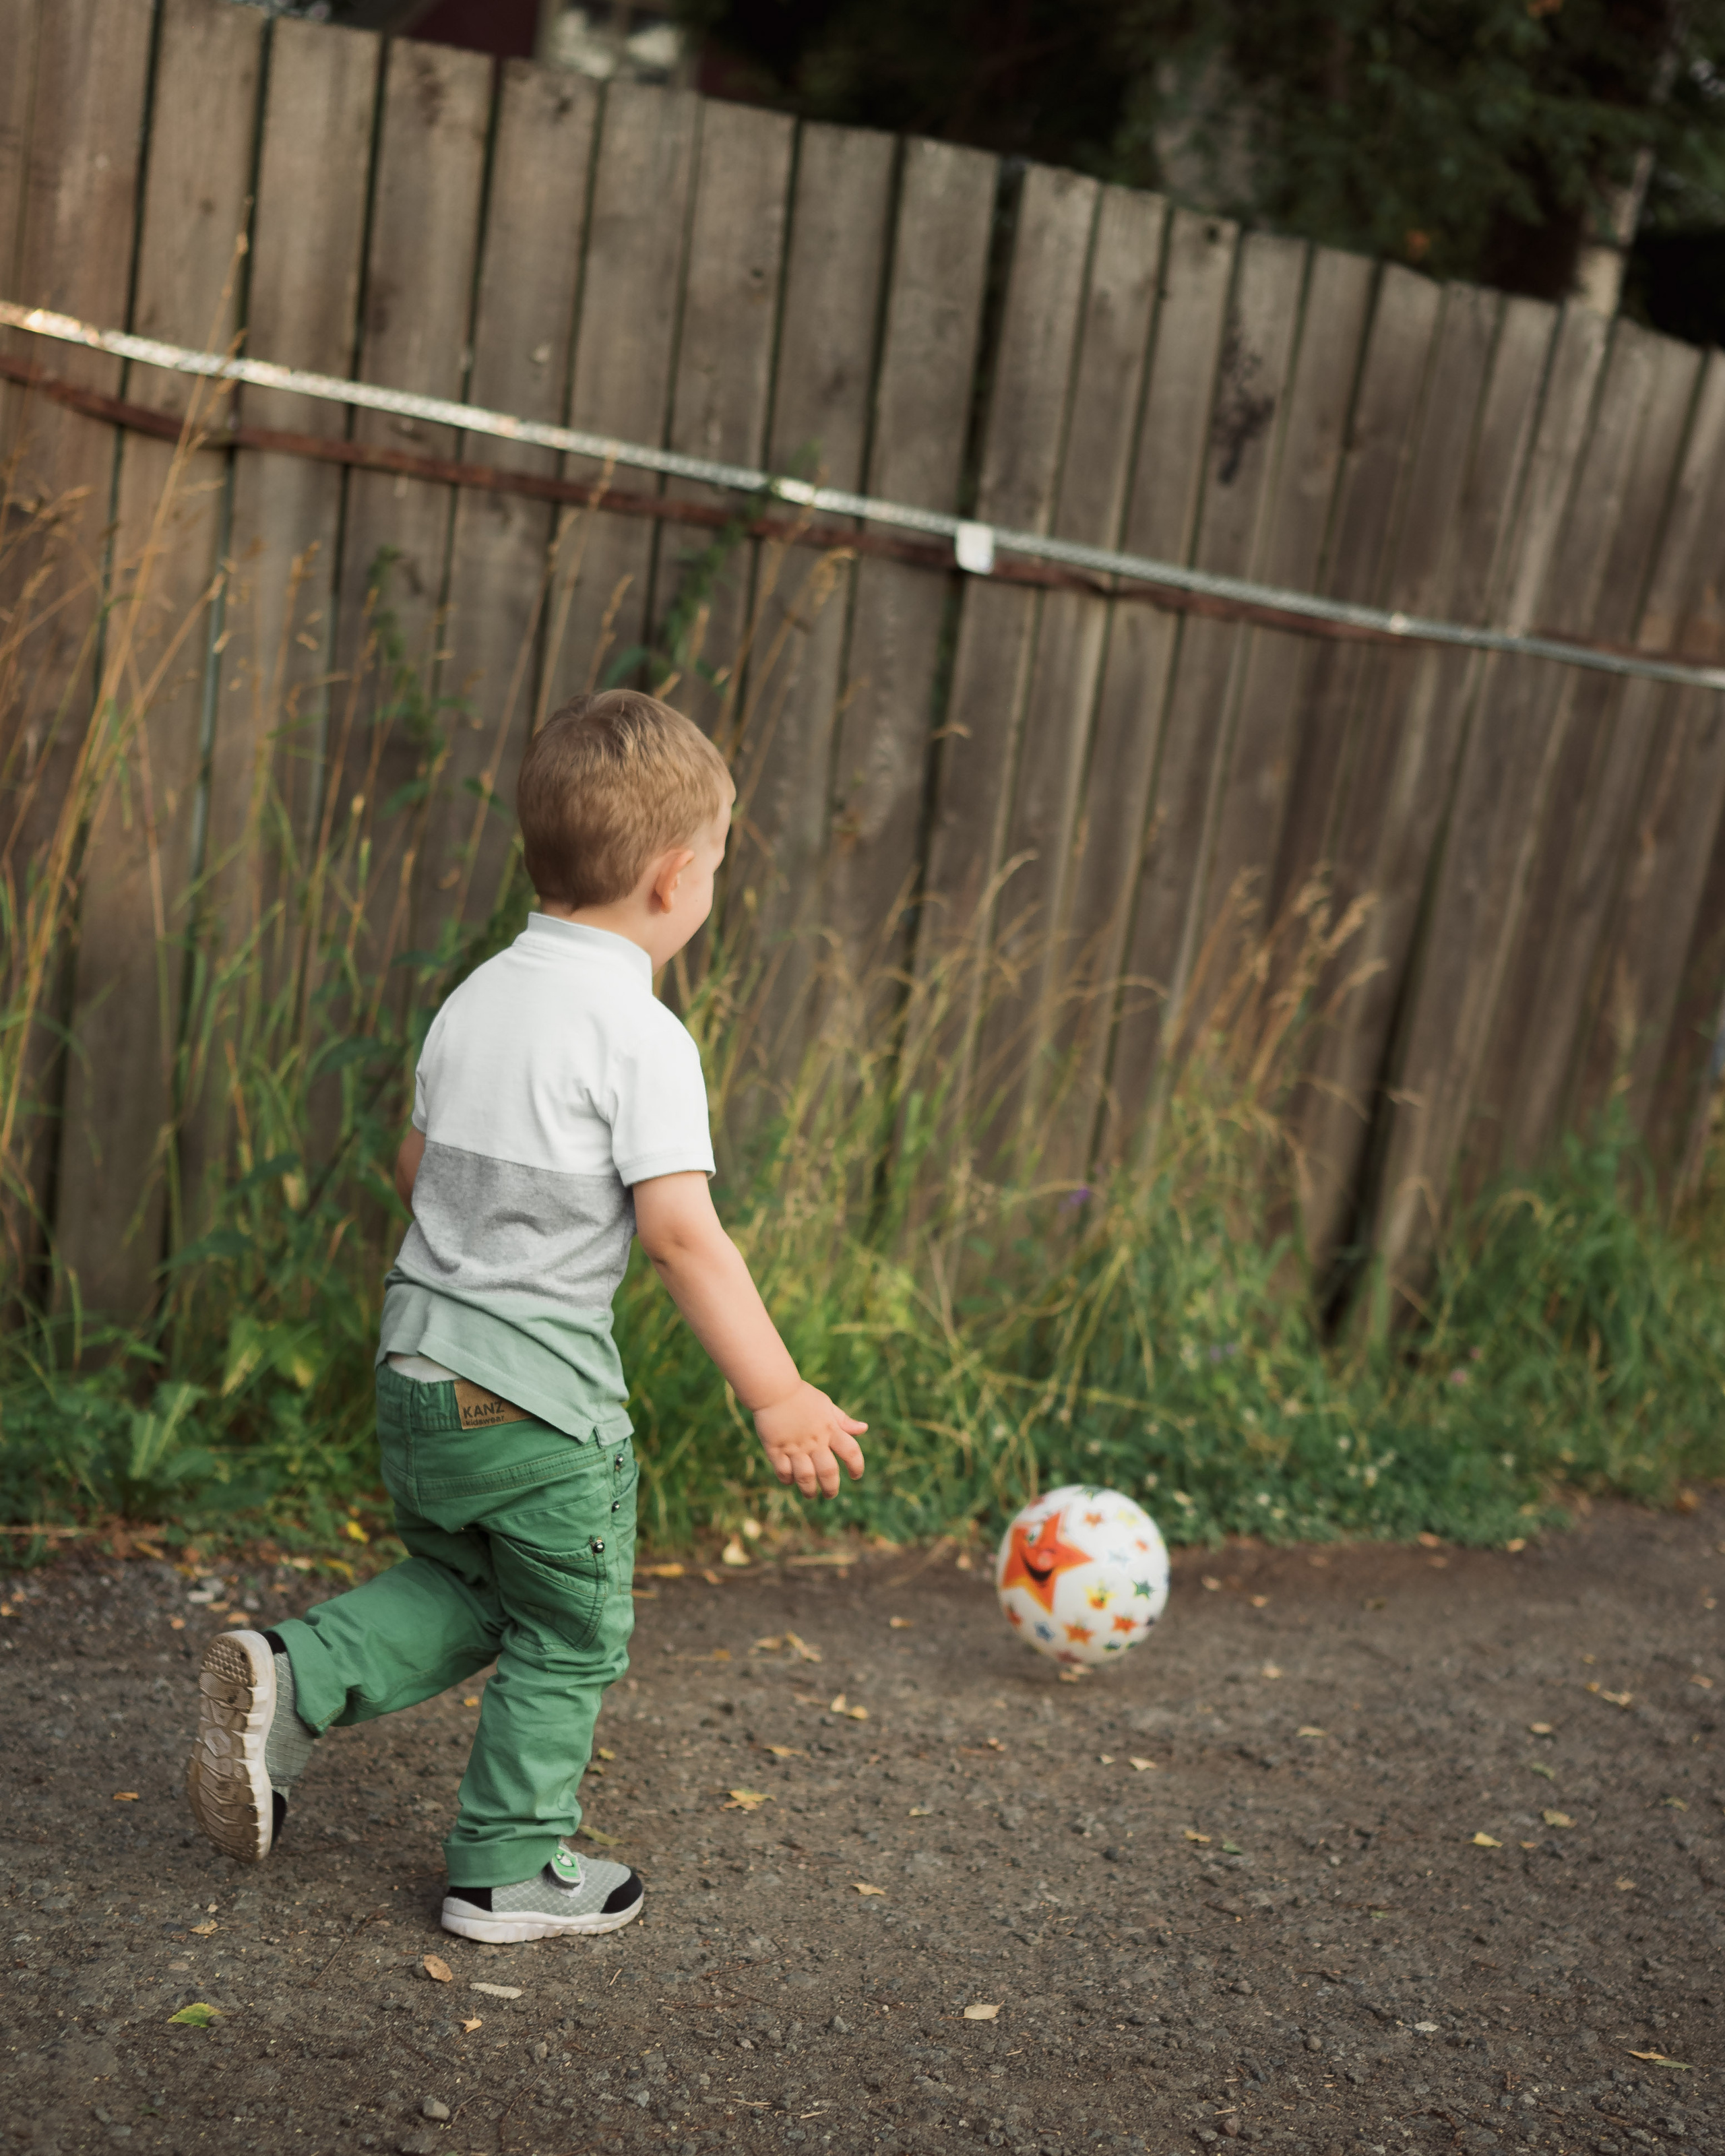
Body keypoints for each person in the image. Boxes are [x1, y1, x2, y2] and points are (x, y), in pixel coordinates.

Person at [185, 690, 867, 1943]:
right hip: (541, 1407)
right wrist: (777, 1393)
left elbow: (413, 1166)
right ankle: (504, 1871)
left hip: (416, 1373)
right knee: (570, 1627)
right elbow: (680, 1233)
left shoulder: (476, 1000)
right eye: (718, 864)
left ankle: (296, 1673)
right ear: (675, 878)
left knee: (474, 1584)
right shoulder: (640, 1035)